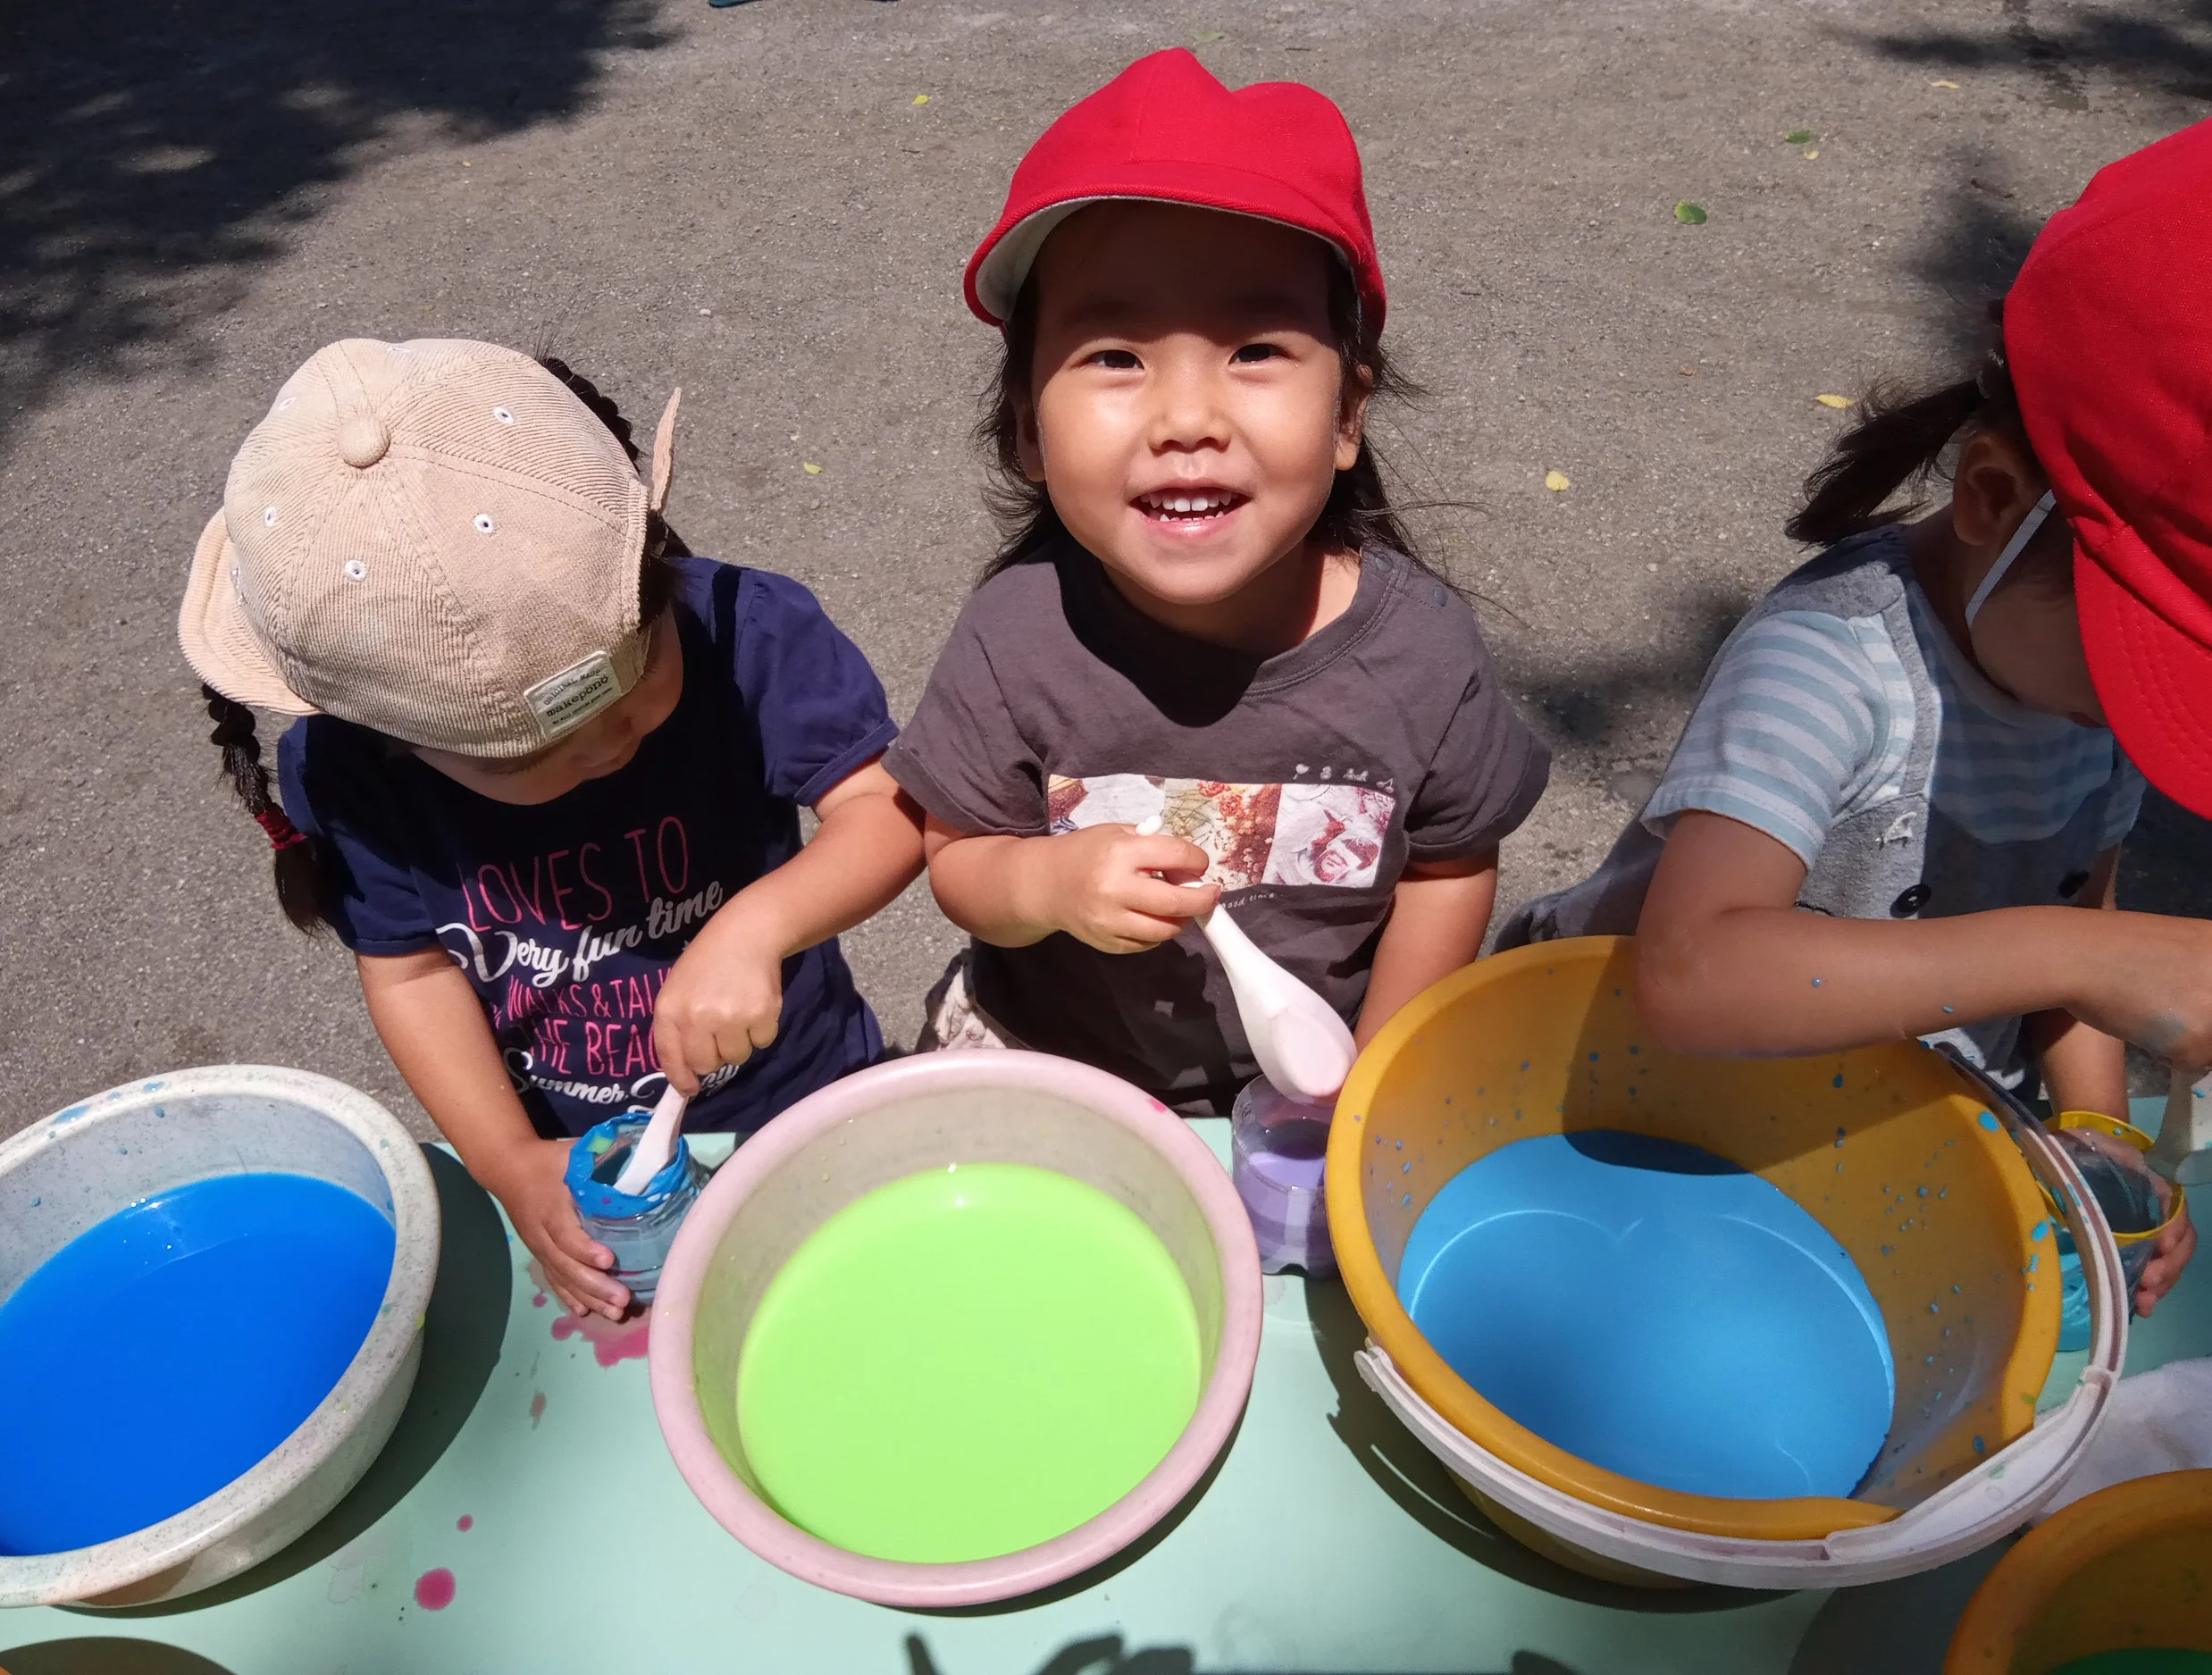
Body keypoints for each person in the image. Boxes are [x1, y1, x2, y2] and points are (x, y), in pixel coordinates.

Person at [1503, 120, 2212, 1312]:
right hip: (1629, 1115)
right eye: (2151, 662)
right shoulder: (1828, 663)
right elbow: (1692, 974)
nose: (2144, 716)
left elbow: (2074, 936)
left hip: (1876, 1144)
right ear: (1993, 499)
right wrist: (2087, 953)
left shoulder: (2080, 690)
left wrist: (2097, 1128)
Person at [180, 339, 923, 1319]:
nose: (609, 745)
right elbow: (412, 973)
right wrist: (507, 1160)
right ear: (391, 740)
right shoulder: (354, 775)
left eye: (635, 678)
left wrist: (759, 924)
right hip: (580, 1158)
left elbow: (887, 811)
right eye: (527, 755)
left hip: (807, 1093)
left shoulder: (744, 633)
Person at [886, 50, 1550, 1112]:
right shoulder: (1016, 632)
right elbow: (957, 852)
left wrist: (1371, 1077)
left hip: (1301, 1077)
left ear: (1347, 416)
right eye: (1115, 355)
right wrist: (1044, 885)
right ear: (1026, 430)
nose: (1187, 417)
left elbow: (1448, 866)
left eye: (1253, 350)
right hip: (1041, 1056)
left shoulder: (1424, 655)